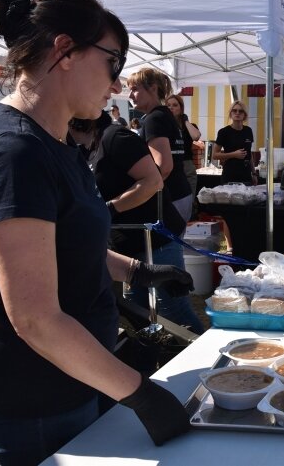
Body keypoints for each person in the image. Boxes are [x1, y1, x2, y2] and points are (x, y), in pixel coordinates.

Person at [0, 0, 193, 464]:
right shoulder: (14, 154)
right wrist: (140, 393)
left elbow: (56, 247)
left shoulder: (51, 142)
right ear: (64, 51)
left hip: (77, 379)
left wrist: (134, 272)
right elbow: (35, 317)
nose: (118, 85)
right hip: (34, 400)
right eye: (113, 63)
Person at [68, 113, 204, 334]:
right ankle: (158, 359)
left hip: (155, 240)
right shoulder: (82, 149)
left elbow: (153, 181)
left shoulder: (115, 137)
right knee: (138, 310)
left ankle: (207, 363)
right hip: (125, 244)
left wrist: (109, 209)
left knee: (174, 309)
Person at [127, 69, 193, 227]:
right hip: (180, 192)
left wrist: (139, 194)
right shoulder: (164, 115)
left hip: (171, 197)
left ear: (153, 88)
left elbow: (164, 167)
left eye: (135, 89)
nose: (130, 96)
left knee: (167, 249)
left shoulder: (154, 119)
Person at [166, 94, 201, 202]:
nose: (171, 107)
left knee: (188, 200)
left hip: (186, 165)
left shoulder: (189, 125)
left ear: (181, 108)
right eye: (168, 105)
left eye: (175, 105)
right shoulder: (164, 125)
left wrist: (185, 120)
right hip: (170, 165)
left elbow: (196, 136)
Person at [212, 100, 256, 184]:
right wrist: (234, 154)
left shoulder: (248, 131)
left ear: (244, 115)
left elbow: (249, 154)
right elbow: (215, 155)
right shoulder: (224, 132)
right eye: (234, 110)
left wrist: (254, 173)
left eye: (240, 111)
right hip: (230, 176)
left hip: (246, 177)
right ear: (231, 114)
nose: (237, 113)